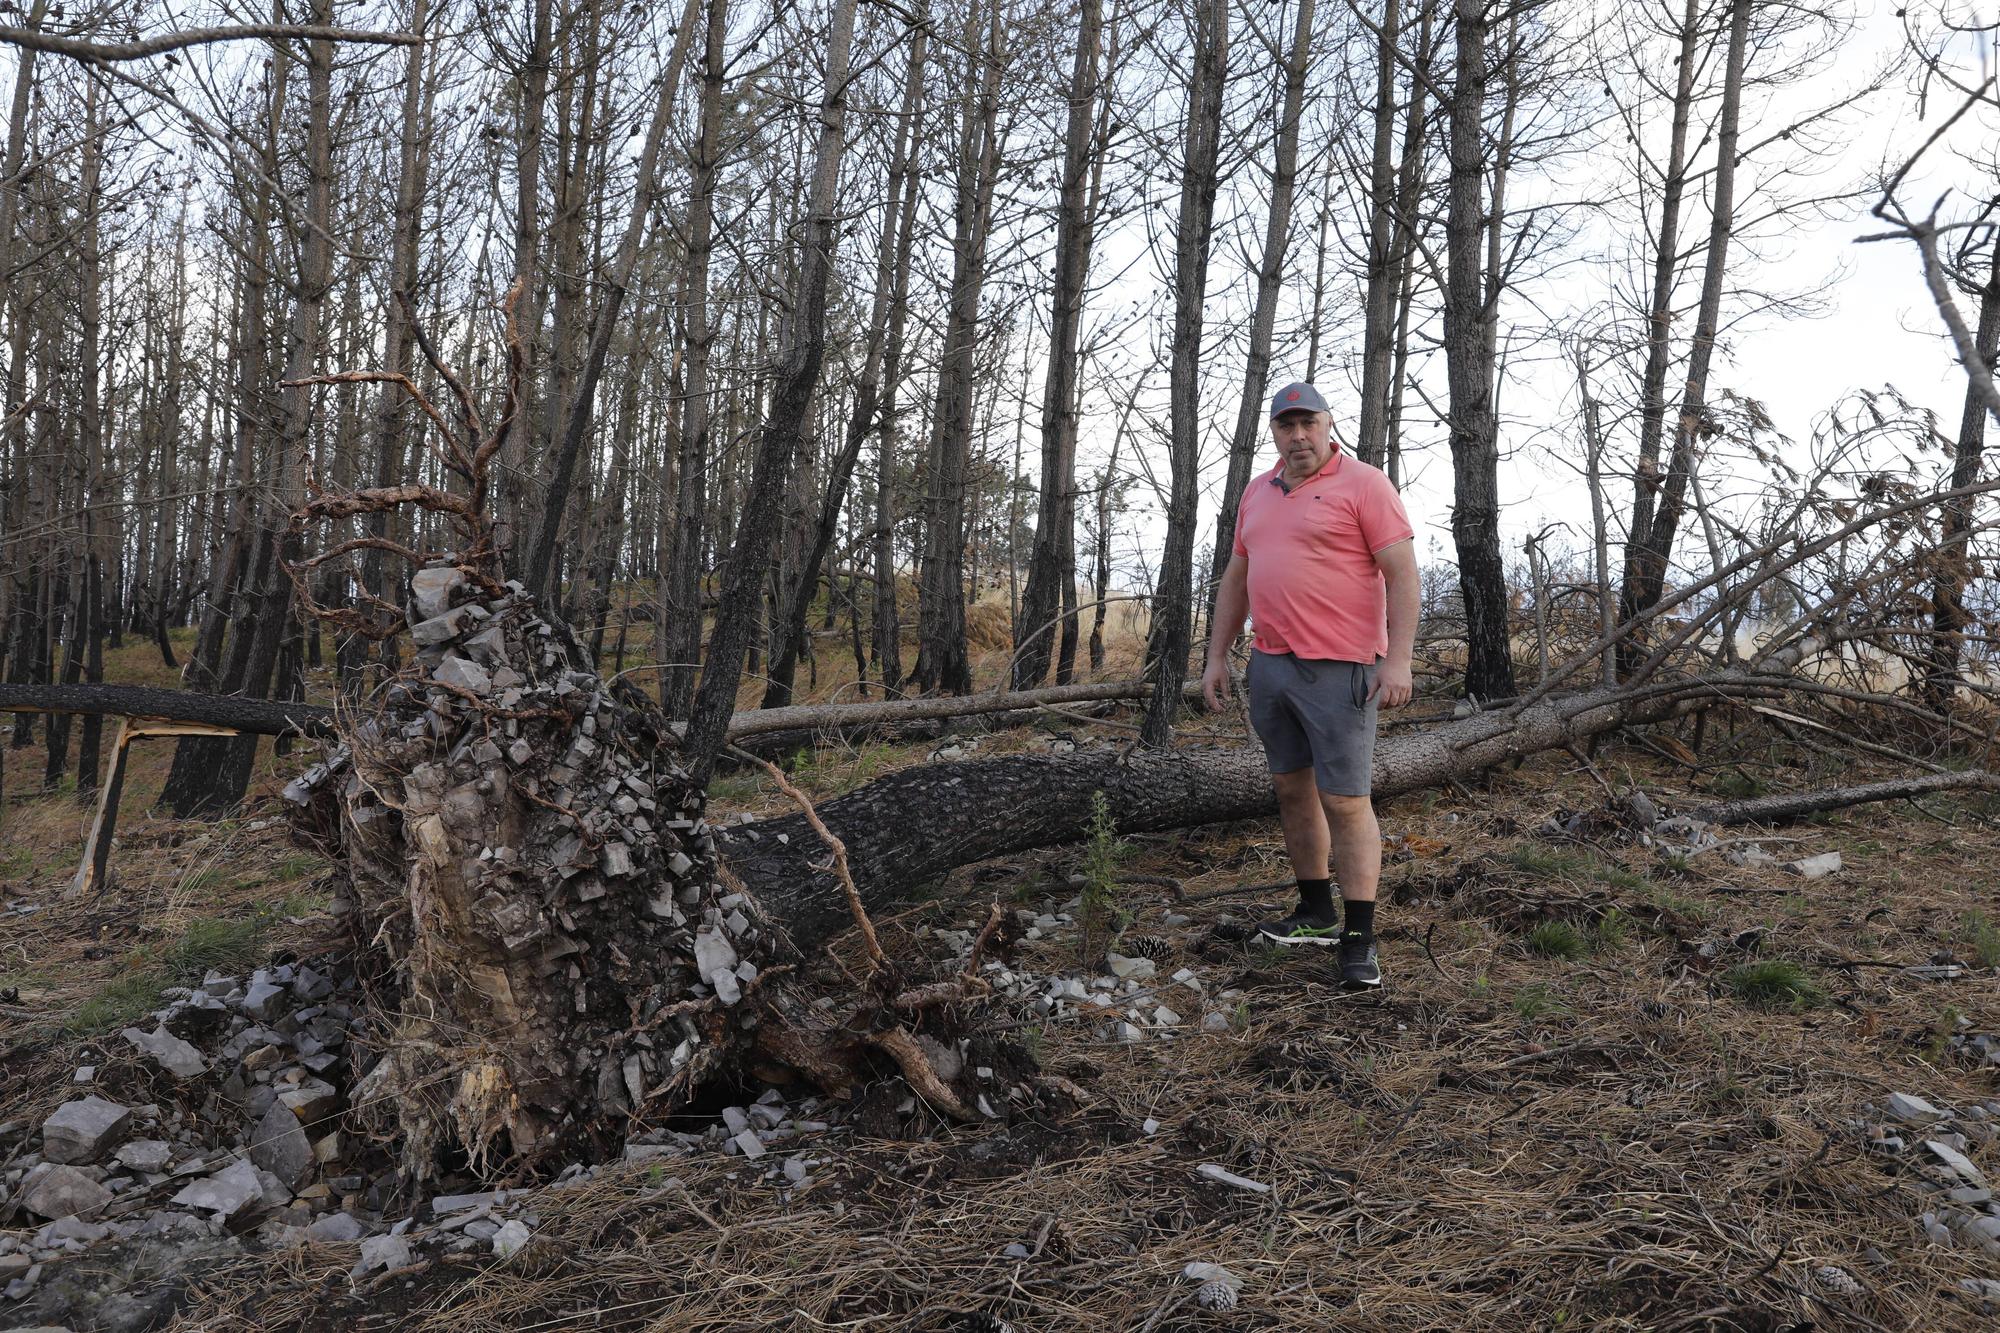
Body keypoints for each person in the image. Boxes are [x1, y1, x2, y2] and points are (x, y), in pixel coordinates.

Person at [1201, 382, 1419, 988]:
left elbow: (1402, 575)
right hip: (1271, 666)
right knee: (1293, 791)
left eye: (1308, 424)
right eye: (1286, 425)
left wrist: (1397, 661)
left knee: (1346, 801)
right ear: (1274, 432)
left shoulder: (1366, 485)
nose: (1298, 436)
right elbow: (1237, 577)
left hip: (1342, 669)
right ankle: (1315, 912)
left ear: (1328, 426)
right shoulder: (1258, 492)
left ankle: (1358, 936)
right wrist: (1218, 657)